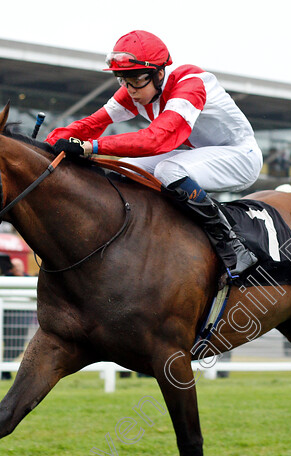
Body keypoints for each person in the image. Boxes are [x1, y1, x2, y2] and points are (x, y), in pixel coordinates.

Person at [46, 30, 263, 280]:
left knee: (168, 170)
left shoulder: (189, 85)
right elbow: (91, 124)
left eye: (136, 80)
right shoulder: (137, 88)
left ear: (159, 73)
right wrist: (48, 143)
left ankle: (233, 247)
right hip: (203, 153)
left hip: (241, 156)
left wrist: (90, 147)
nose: (130, 89)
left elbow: (157, 139)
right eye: (122, 80)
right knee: (126, 167)